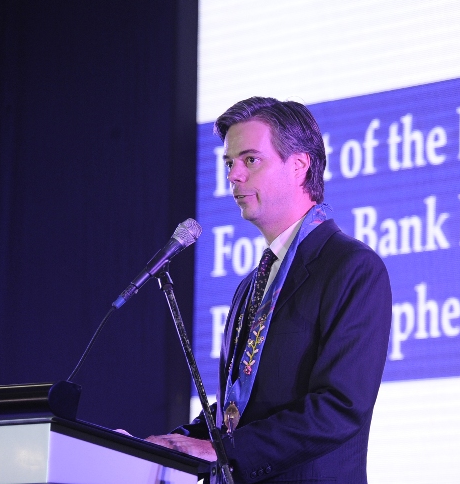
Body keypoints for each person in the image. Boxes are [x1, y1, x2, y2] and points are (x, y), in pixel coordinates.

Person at [146, 96, 392, 483]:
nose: (233, 175)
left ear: (298, 166)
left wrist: (225, 452)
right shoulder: (250, 286)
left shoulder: (351, 267)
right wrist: (164, 446)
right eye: (229, 163)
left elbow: (339, 406)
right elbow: (238, 410)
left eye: (250, 160)